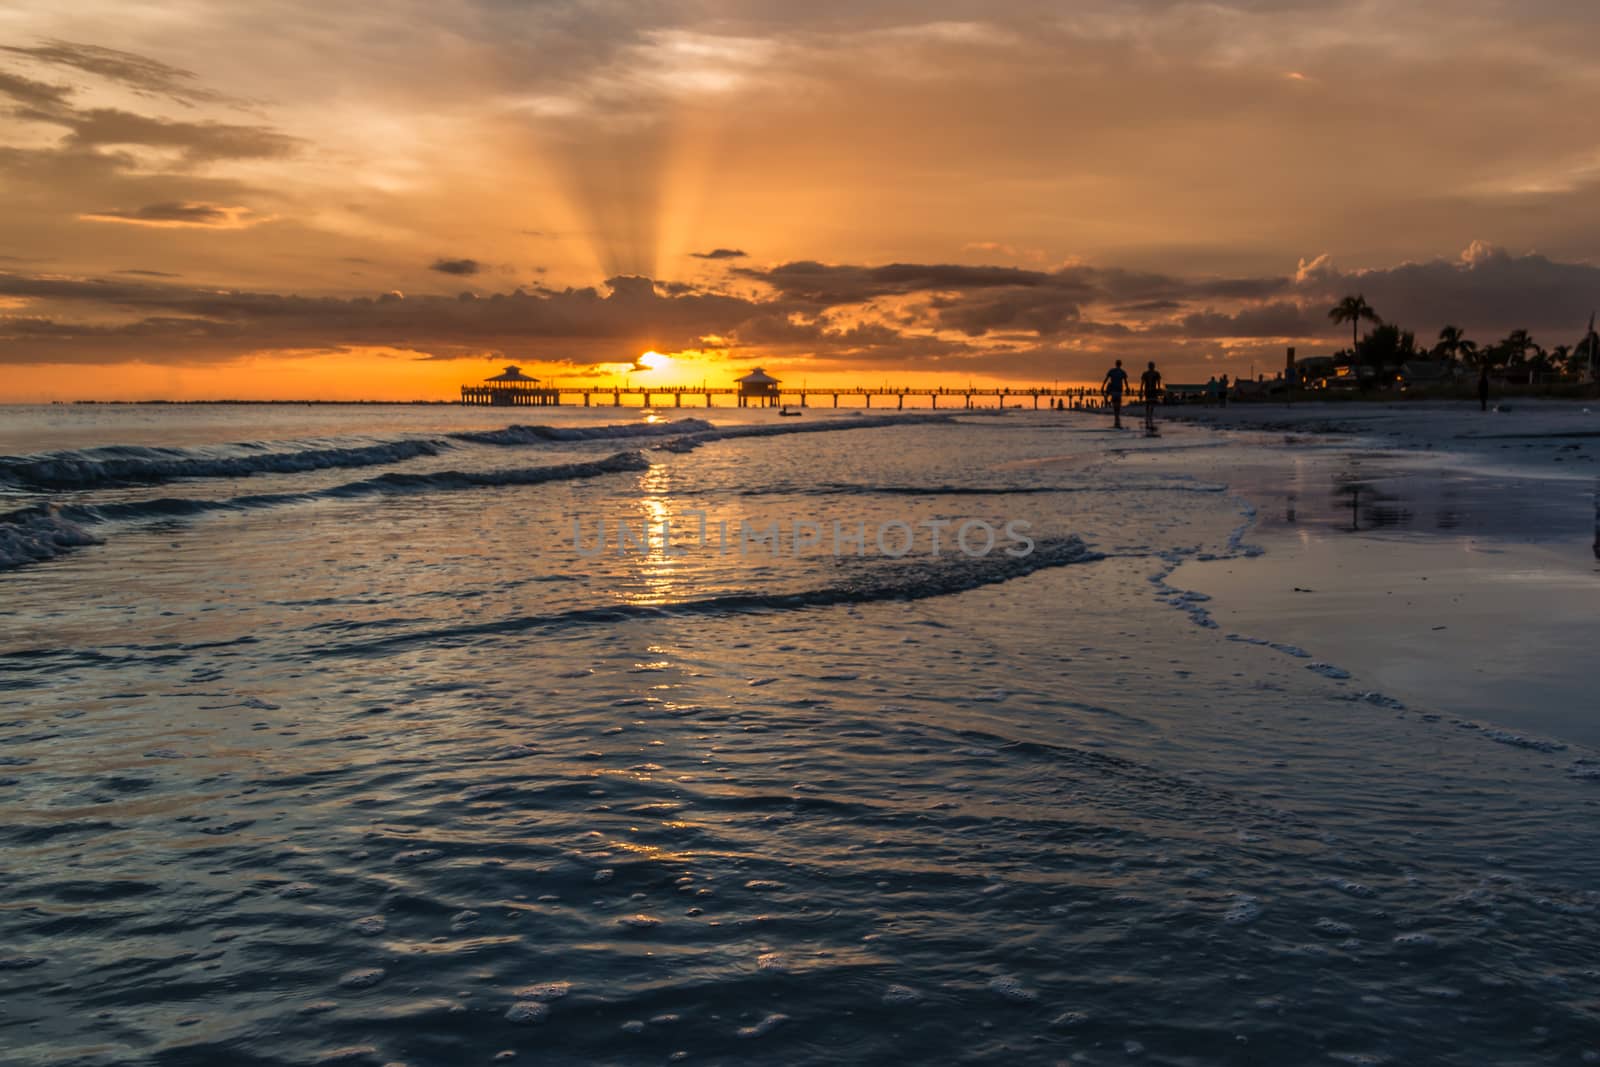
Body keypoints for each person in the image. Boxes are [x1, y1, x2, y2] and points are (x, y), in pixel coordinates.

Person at [1101, 360, 1130, 428]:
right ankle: (1117, 415)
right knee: (1118, 402)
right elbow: (1125, 381)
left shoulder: (1112, 371)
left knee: (1114, 403)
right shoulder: (1123, 372)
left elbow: (1106, 379)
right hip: (1119, 389)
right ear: (1121, 364)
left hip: (1113, 389)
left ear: (1116, 364)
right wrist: (1127, 388)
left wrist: (1102, 386)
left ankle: (1116, 416)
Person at [1141, 360, 1163, 433]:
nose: (1151, 367)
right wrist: (1141, 390)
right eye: (1150, 365)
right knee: (1149, 403)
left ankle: (1149, 415)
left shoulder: (1155, 373)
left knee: (1152, 403)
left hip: (1152, 390)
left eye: (1151, 365)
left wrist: (1159, 388)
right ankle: (1148, 415)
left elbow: (1158, 382)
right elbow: (1143, 382)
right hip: (1148, 390)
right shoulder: (1147, 373)